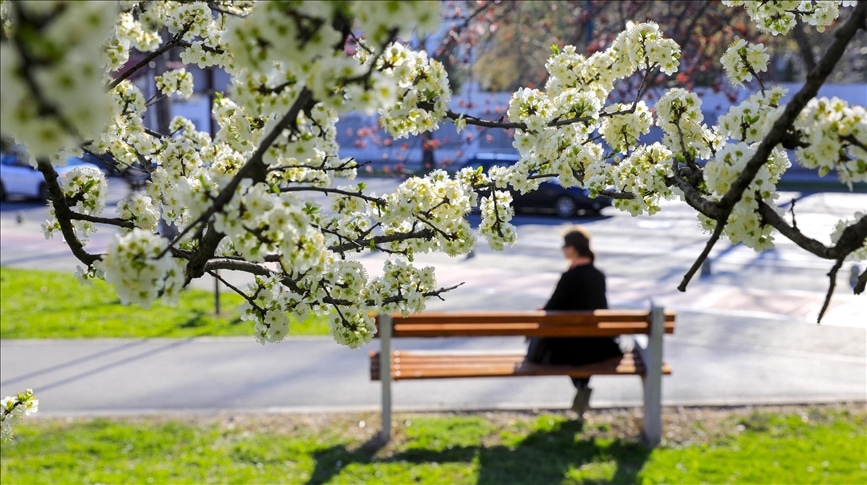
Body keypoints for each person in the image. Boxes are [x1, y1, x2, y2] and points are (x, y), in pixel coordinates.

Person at [526, 225, 623, 416]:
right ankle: (582, 388)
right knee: (581, 350)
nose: (562, 250)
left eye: (564, 246)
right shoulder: (598, 275)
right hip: (598, 345)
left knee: (563, 344)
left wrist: (541, 311)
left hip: (568, 347)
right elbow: (601, 307)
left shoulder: (569, 277)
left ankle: (581, 388)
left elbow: (551, 309)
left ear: (572, 248)